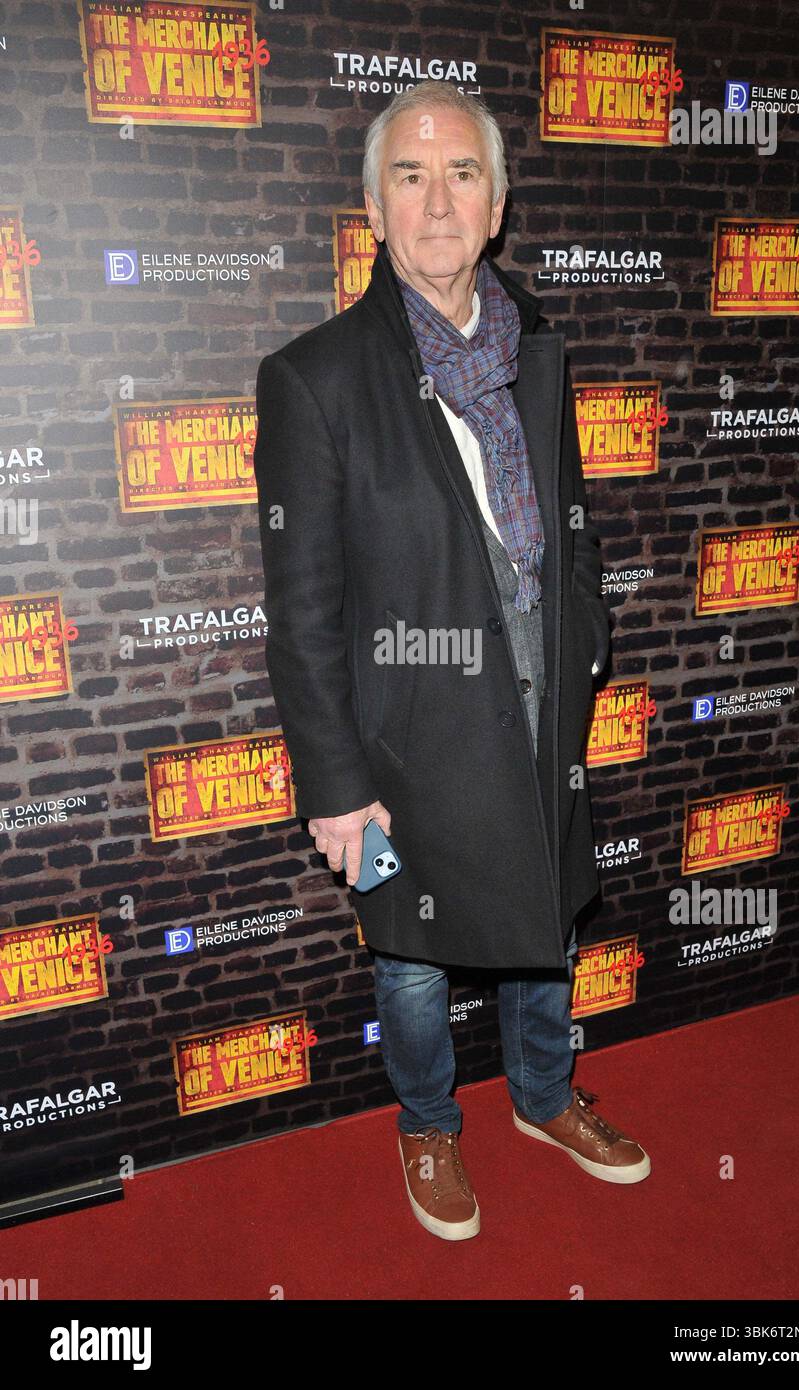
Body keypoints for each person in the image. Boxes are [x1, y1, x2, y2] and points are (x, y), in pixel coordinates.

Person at [253, 78, 650, 1243]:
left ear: (497, 202)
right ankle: (429, 1122)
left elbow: (570, 527)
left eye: (462, 173)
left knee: (543, 924)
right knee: (415, 965)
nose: (439, 202)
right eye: (412, 177)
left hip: (534, 711)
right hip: (400, 743)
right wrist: (333, 784)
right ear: (374, 209)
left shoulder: (539, 349)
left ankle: (541, 1097)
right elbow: (304, 608)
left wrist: (580, 645)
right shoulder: (316, 377)